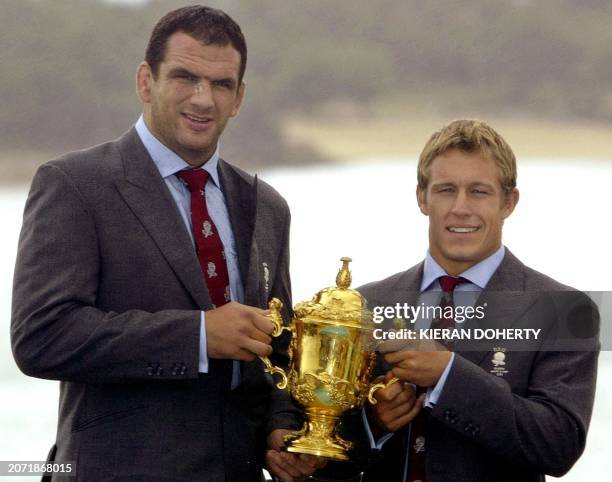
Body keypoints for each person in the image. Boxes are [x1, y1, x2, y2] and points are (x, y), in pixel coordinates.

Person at [11, 5, 321, 481]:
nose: (203, 99)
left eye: (221, 85)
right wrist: (198, 336)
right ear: (145, 81)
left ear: (239, 97)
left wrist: (281, 428)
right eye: (185, 77)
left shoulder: (267, 206)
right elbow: (42, 338)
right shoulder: (74, 185)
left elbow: (276, 351)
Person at [354, 119, 599, 481]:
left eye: (479, 192)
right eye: (446, 190)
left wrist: (447, 373)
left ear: (509, 203)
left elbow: (559, 445)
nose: (461, 208)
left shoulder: (564, 310)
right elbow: (326, 444)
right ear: (422, 198)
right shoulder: (365, 302)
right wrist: (373, 424)